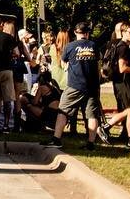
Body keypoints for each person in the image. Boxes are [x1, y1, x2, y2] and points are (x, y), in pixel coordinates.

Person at [45, 22, 105, 150]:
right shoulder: (94, 46)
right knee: (91, 115)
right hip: (92, 86)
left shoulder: (70, 46)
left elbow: (63, 64)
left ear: (76, 33)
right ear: (87, 33)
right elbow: (99, 63)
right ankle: (91, 143)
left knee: (63, 110)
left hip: (75, 85)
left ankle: (56, 139)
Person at [103, 23, 130, 150]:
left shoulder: (127, 46)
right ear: (123, 33)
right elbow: (122, 68)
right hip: (123, 83)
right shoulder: (122, 47)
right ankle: (107, 127)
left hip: (126, 83)